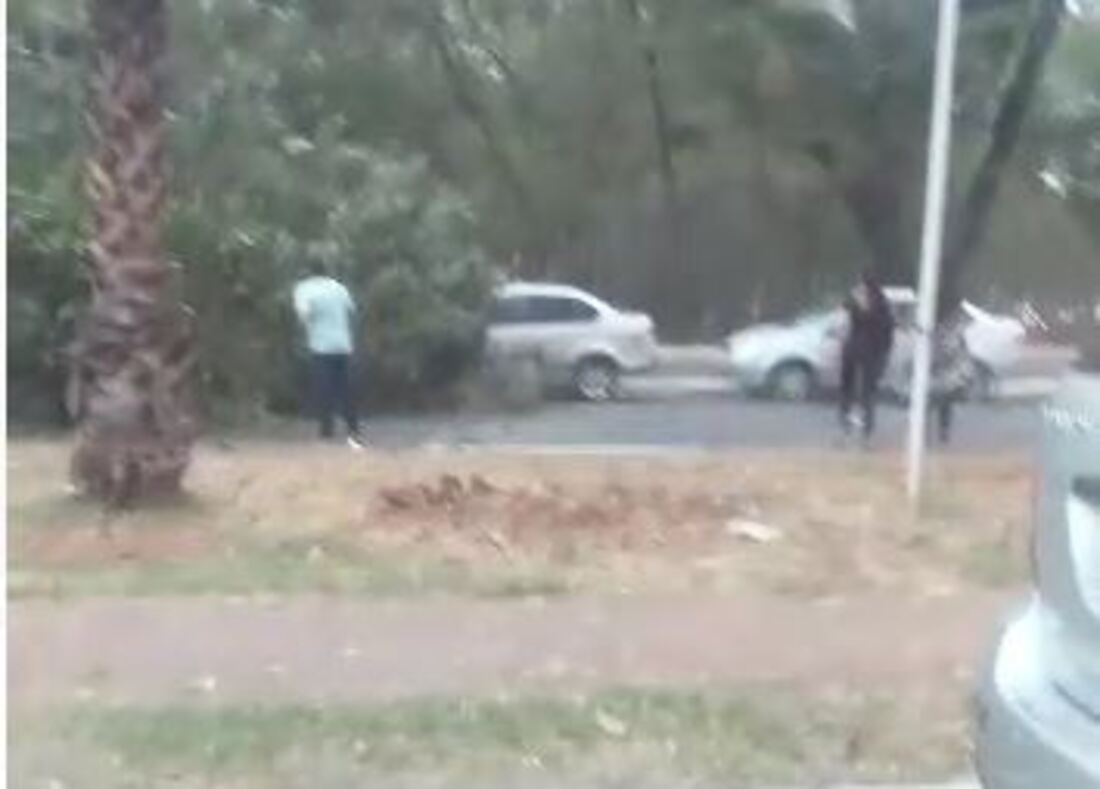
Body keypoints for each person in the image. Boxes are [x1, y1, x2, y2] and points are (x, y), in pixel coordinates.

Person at [293, 260, 364, 449]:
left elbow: (304, 314)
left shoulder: (304, 289)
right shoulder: (339, 288)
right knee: (346, 388)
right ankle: (353, 428)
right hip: (343, 344)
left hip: (320, 345)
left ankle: (326, 432)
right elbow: (351, 311)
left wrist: (309, 324)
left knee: (324, 389)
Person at [838, 271, 895, 442]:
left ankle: (863, 431)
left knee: (866, 393)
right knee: (852, 391)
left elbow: (878, 323)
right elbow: (845, 313)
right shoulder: (858, 300)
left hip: (869, 352)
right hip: (857, 351)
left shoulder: (879, 303)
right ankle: (849, 427)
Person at [929, 301, 974, 445]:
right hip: (940, 371)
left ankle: (943, 430)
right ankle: (940, 430)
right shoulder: (941, 332)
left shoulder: (954, 333)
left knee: (944, 402)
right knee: (938, 401)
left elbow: (960, 352)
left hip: (948, 373)